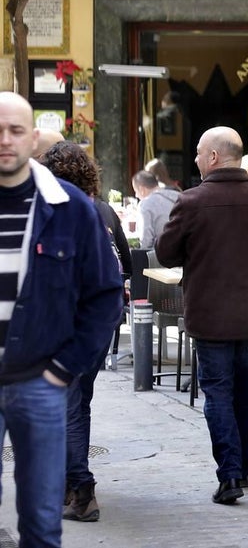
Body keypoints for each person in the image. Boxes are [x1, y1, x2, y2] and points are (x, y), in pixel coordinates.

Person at [0, 92, 123, 545]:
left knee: (39, 514)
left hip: (41, 374)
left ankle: (76, 493)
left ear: (32, 140)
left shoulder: (71, 207)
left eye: (15, 130)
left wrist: (63, 366)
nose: (5, 140)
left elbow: (107, 291)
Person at [155, 126, 248, 505]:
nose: (196, 159)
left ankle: (230, 473)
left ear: (214, 157)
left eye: (199, 153)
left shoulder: (191, 202)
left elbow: (166, 253)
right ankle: (243, 467)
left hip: (209, 317)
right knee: (246, 392)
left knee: (217, 392)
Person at [39, 141, 133, 524]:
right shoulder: (103, 210)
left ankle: (82, 491)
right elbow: (126, 264)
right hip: (99, 322)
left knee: (67, 403)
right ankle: (69, 484)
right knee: (77, 402)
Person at [132, 170, 180, 249]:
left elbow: (146, 241)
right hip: (186, 251)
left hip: (163, 253)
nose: (136, 195)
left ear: (141, 189)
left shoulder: (145, 204)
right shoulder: (179, 196)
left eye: (136, 191)